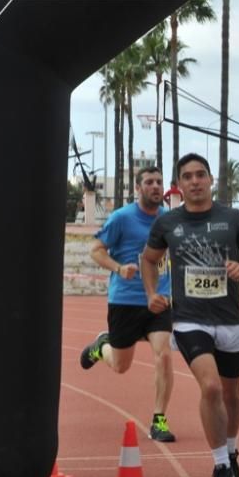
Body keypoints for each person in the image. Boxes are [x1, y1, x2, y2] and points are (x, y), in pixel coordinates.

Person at [141, 153, 239, 477]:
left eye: (200, 175)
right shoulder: (168, 223)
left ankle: (231, 450)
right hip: (188, 321)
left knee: (231, 394)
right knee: (211, 388)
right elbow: (149, 259)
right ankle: (219, 465)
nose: (195, 181)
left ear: (211, 180)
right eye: (187, 176)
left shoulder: (232, 218)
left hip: (231, 321)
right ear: (178, 185)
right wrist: (153, 293)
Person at [80, 165, 177, 443]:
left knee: (165, 354)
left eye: (159, 182)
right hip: (125, 300)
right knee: (121, 366)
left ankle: (159, 419)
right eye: (149, 182)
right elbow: (96, 249)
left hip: (158, 299)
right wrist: (118, 267)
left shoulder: (169, 219)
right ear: (138, 188)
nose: (156, 186)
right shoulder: (122, 218)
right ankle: (102, 346)